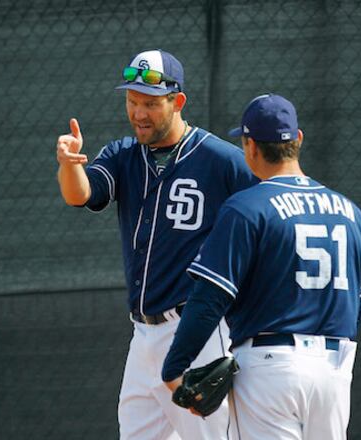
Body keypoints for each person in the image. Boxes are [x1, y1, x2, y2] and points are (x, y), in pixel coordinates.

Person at [55, 49, 257, 439]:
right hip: (142, 336)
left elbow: (267, 215)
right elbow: (81, 194)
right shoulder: (122, 155)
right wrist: (69, 165)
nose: (138, 113)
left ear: (177, 101)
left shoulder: (220, 160)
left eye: (149, 103)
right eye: (132, 101)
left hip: (195, 332)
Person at [161, 94, 361, 439]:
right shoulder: (351, 212)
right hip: (335, 369)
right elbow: (360, 305)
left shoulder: (246, 208)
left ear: (249, 146)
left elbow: (209, 298)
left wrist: (175, 367)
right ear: (298, 140)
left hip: (270, 369)